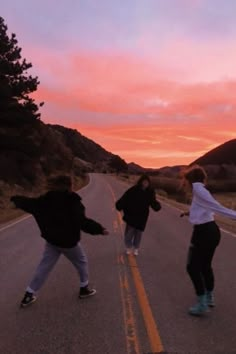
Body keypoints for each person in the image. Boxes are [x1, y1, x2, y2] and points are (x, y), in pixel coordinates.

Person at [10, 175, 108, 308]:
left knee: (44, 267)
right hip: (68, 243)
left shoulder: (46, 199)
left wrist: (16, 200)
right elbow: (82, 222)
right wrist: (100, 229)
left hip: (52, 241)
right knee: (81, 262)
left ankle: (29, 294)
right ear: (69, 186)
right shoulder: (73, 201)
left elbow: (31, 204)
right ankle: (84, 288)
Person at [180, 165, 236, 316]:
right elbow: (204, 207)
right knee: (205, 265)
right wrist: (189, 212)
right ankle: (209, 297)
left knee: (192, 267)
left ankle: (202, 303)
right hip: (211, 231)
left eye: (185, 180)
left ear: (190, 179)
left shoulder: (198, 189)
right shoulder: (201, 191)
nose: (183, 183)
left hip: (203, 232)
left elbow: (216, 207)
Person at [115, 174, 161, 256]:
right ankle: (128, 247)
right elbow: (125, 198)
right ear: (141, 182)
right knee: (129, 232)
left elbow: (153, 202)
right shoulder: (133, 190)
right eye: (144, 182)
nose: (146, 184)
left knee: (139, 233)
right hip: (132, 214)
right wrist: (119, 205)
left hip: (142, 216)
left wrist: (157, 206)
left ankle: (136, 248)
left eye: (147, 182)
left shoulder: (150, 192)